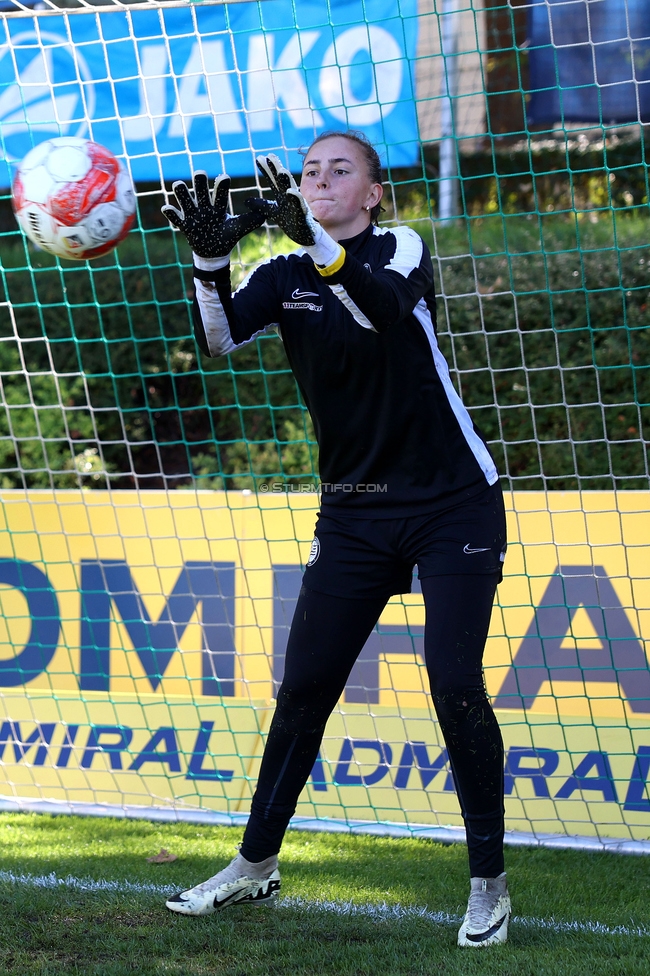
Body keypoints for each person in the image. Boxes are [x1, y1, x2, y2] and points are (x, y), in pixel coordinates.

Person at [160, 131, 510, 948]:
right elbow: (219, 339)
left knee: (454, 681)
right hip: (353, 510)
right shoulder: (282, 272)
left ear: (373, 194)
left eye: (338, 170)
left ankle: (488, 885)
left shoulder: (402, 248)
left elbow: (379, 308)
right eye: (309, 171)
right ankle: (253, 867)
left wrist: (313, 239)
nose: (319, 180)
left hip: (453, 500)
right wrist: (211, 264)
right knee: (305, 687)